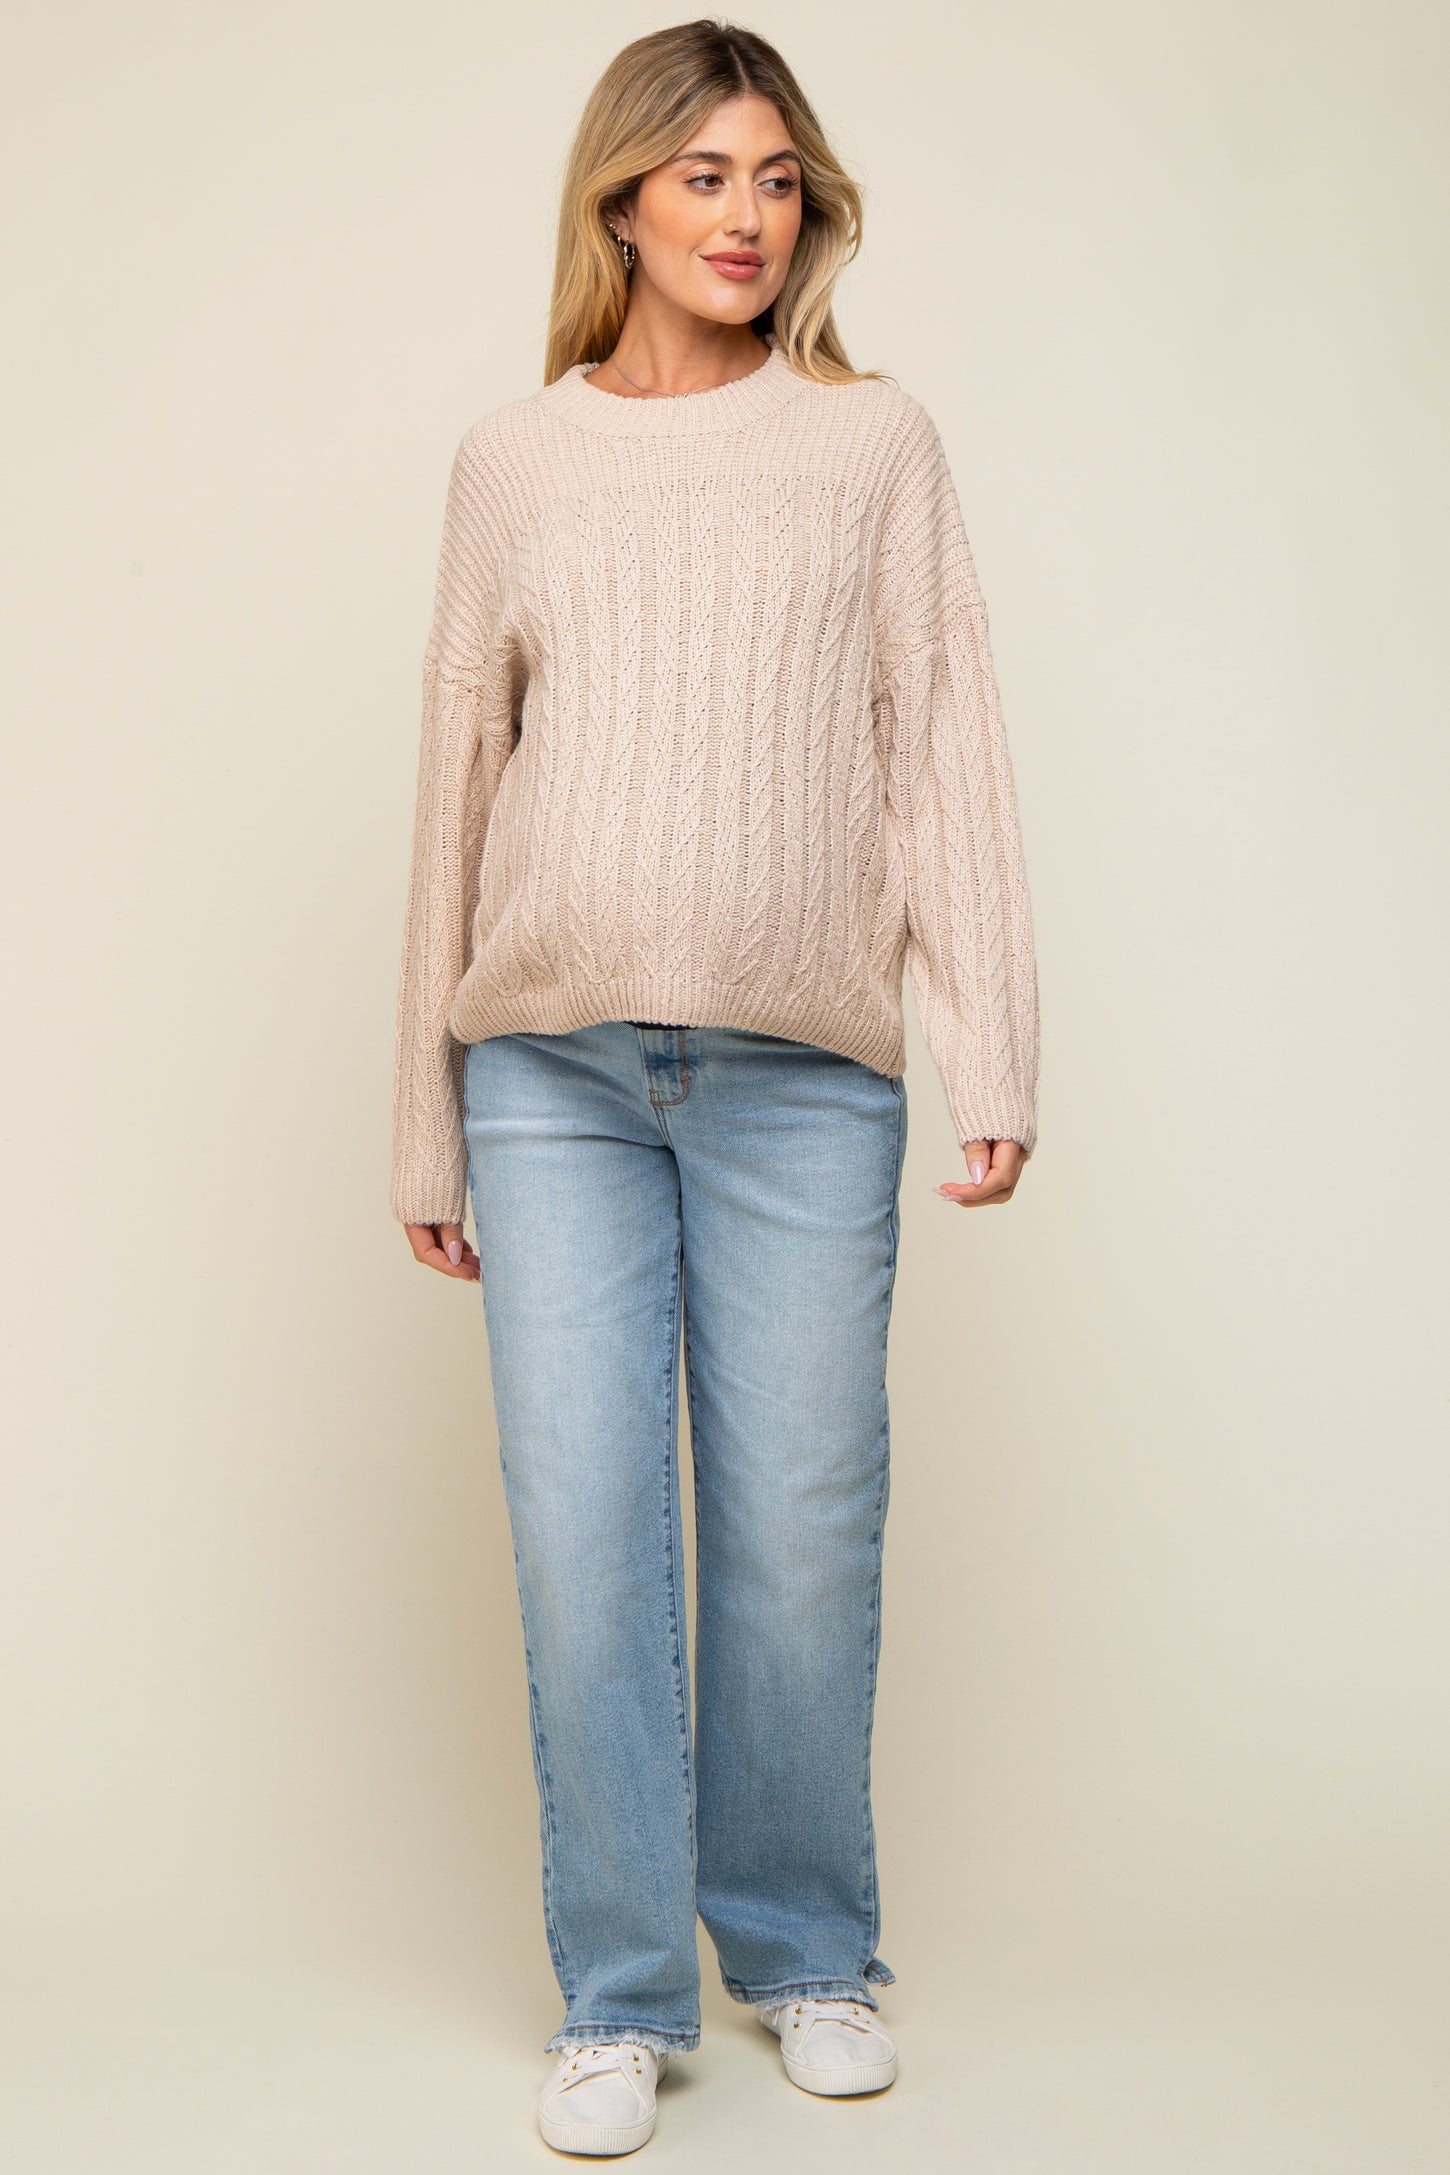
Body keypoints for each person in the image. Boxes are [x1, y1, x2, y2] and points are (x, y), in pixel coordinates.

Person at [389, 17, 1039, 2157]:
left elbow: (940, 735)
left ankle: (807, 1950)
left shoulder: (870, 446)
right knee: (583, 1538)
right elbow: (454, 792)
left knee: (797, 1536)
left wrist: (990, 1041)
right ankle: (616, 1992)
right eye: (702, 177)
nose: (745, 217)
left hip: (798, 1084)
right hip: (549, 1076)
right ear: (620, 201)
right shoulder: (513, 461)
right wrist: (420, 1111)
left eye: (775, 179)